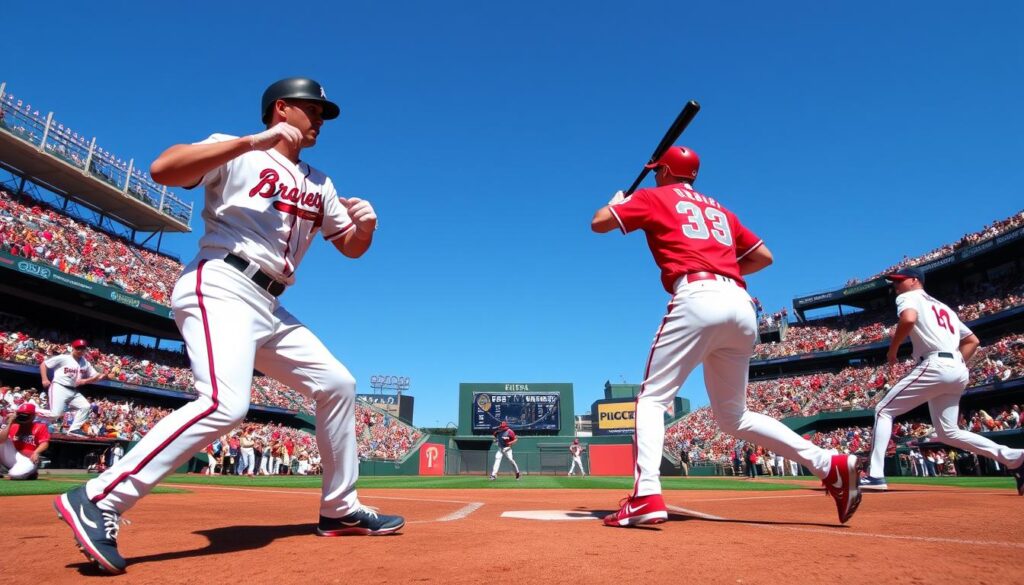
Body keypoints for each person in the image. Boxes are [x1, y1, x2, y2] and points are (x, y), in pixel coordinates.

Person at [53, 77, 404, 576]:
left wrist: (365, 228)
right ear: (281, 108)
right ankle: (98, 498)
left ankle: (339, 509)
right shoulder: (234, 148)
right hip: (221, 281)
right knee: (225, 403)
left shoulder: (321, 182)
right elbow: (163, 169)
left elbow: (349, 246)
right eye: (313, 109)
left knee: (338, 384)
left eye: (324, 111)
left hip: (271, 303)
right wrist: (247, 143)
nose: (321, 118)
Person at [591, 146, 861, 527]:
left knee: (652, 399)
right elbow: (763, 256)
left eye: (656, 171)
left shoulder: (653, 196)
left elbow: (599, 222)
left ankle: (647, 494)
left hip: (697, 294)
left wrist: (618, 202)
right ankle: (827, 463)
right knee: (734, 416)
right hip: (740, 300)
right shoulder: (720, 209)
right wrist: (720, 265)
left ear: (665, 170)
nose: (653, 176)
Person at [860, 267, 1024, 494]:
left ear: (915, 281)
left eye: (899, 281)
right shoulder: (943, 307)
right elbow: (973, 341)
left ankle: (875, 475)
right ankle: (1015, 457)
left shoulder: (909, 297)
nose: (895, 286)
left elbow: (908, 319)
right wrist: (955, 366)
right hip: (956, 367)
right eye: (894, 282)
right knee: (948, 432)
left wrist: (893, 349)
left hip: (935, 363)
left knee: (883, 410)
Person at [39, 339, 104, 436]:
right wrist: (44, 379)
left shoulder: (85, 363)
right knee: (55, 414)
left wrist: (103, 375)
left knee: (85, 406)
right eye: (78, 348)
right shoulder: (64, 358)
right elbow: (44, 364)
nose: (80, 350)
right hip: (59, 387)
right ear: (72, 348)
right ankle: (29, 411)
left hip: (73, 390)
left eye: (83, 348)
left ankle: (74, 429)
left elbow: (95, 376)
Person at [0, 403, 49, 480]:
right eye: (20, 414)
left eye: (25, 415)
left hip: (28, 459)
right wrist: (10, 423)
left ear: (33, 416)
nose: (22, 417)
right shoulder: (14, 426)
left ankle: (30, 472)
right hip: (13, 456)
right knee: (2, 439)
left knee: (15, 475)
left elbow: (44, 443)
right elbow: (1, 440)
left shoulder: (40, 427)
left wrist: (36, 452)